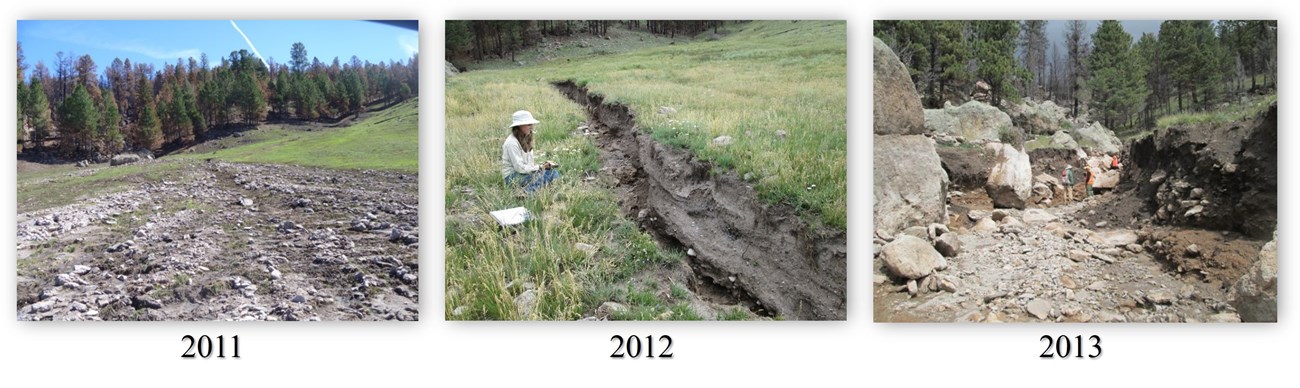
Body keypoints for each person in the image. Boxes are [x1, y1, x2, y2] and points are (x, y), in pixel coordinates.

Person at [501, 110, 559, 194]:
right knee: (548, 175)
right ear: (519, 125)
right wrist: (539, 167)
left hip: (523, 173)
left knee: (553, 172)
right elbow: (519, 168)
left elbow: (528, 164)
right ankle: (526, 192)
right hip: (512, 177)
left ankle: (536, 190)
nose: (531, 127)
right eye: (528, 124)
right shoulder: (511, 143)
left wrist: (542, 167)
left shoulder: (525, 138)